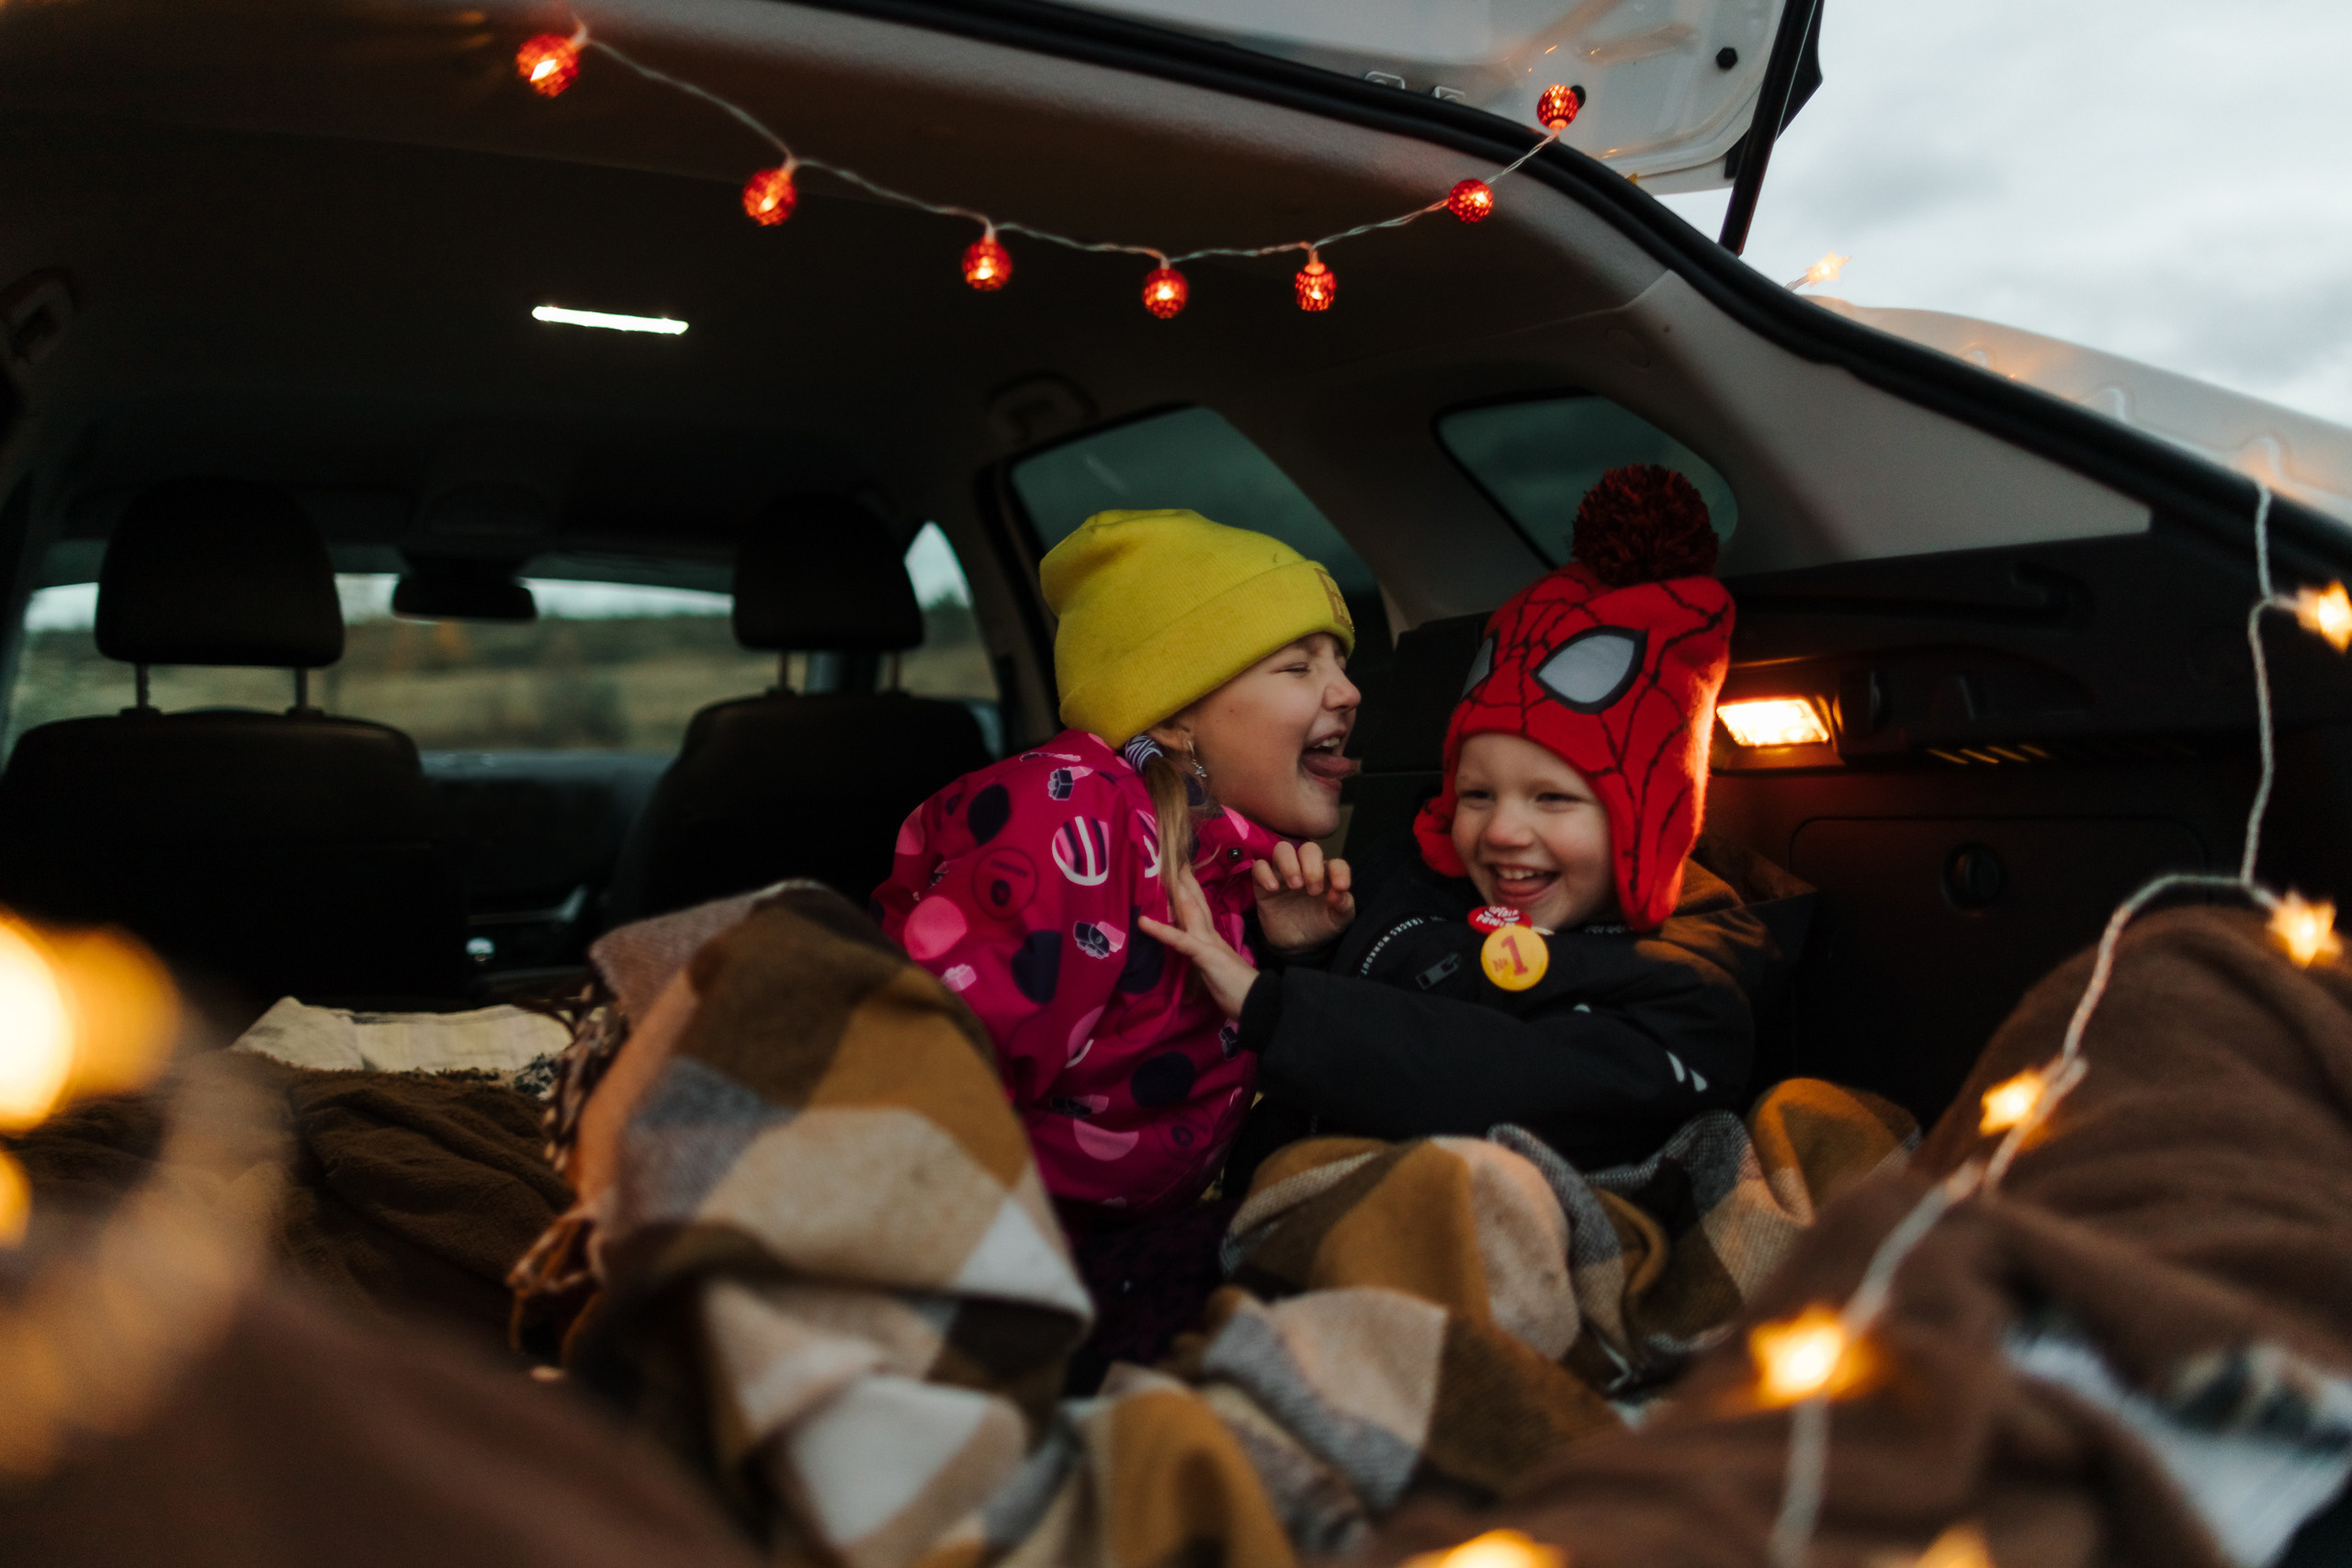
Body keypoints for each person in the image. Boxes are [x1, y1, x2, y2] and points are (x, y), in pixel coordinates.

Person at [1148, 465, 1813, 1180]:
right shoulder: (1412, 881)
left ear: (1647, 812)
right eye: (1475, 796)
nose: (1501, 832)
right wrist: (1306, 954)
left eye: (1553, 799)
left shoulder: (1688, 986)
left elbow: (1505, 1080)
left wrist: (1276, 1006)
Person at [872, 507, 1362, 1222]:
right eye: (1298, 665)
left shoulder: (1220, 859)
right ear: (1171, 715)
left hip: (1120, 1245)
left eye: (1341, 661)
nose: (1348, 690)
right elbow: (932, 1089)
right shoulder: (1063, 820)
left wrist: (1293, 958)